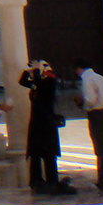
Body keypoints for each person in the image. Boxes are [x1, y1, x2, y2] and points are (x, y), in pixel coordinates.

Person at [19, 60, 72, 196]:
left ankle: (52, 181)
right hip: (37, 124)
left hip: (47, 124)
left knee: (49, 154)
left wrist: (36, 72)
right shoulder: (39, 83)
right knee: (35, 154)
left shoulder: (50, 82)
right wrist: (28, 71)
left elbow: (41, 89)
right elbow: (23, 82)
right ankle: (36, 181)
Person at [75, 59, 103, 192]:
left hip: (97, 115)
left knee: (100, 149)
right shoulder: (100, 77)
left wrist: (81, 103)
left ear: (78, 69)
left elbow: (90, 100)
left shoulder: (87, 79)